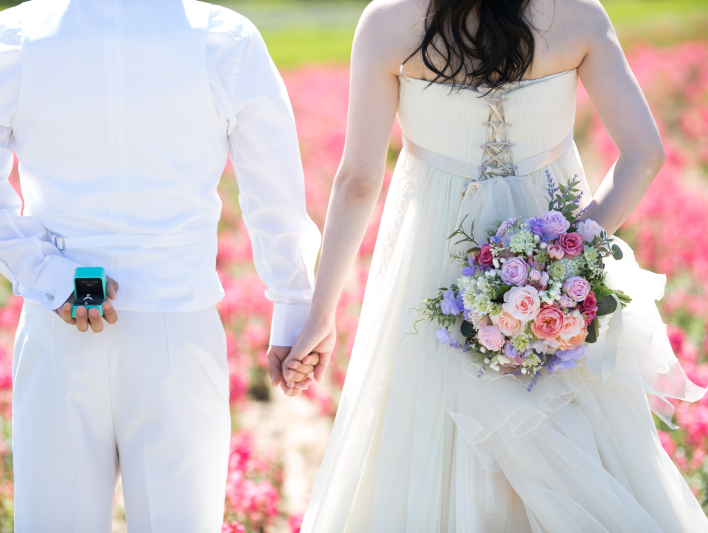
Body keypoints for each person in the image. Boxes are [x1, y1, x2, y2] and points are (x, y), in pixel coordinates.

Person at [279, 0, 708, 530]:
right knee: (569, 425)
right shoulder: (577, 15)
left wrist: (321, 317)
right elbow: (644, 153)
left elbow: (358, 182)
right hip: (552, 269)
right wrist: (565, 257)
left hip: (434, 260)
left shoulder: (388, 24)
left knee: (432, 432)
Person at [0, 0, 320, 530]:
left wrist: (51, 276)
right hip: (177, 324)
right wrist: (292, 307)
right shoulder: (224, 38)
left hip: (60, 324)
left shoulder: (8, 39)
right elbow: (273, 195)